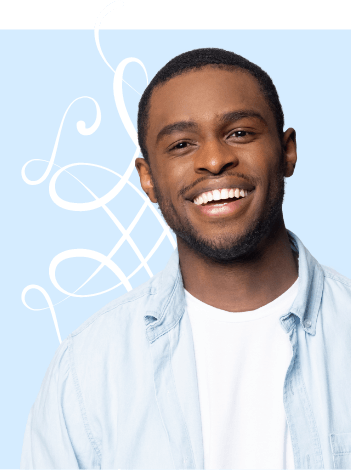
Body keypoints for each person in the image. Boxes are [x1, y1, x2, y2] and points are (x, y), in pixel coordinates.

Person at [20, 48, 351, 470]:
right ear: (148, 179)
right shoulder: (87, 371)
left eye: (240, 134)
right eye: (181, 144)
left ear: (287, 151)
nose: (214, 160)